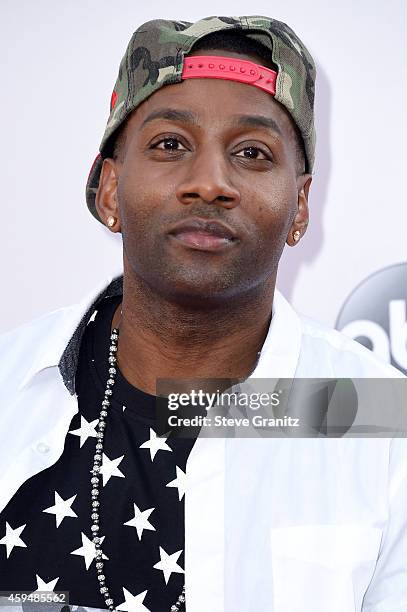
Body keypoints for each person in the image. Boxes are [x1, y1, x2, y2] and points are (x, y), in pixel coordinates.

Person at [0, 15, 406, 612]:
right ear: (110, 188)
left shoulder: (382, 419)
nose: (210, 183)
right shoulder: (10, 386)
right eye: (170, 145)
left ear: (299, 207)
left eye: (252, 152)